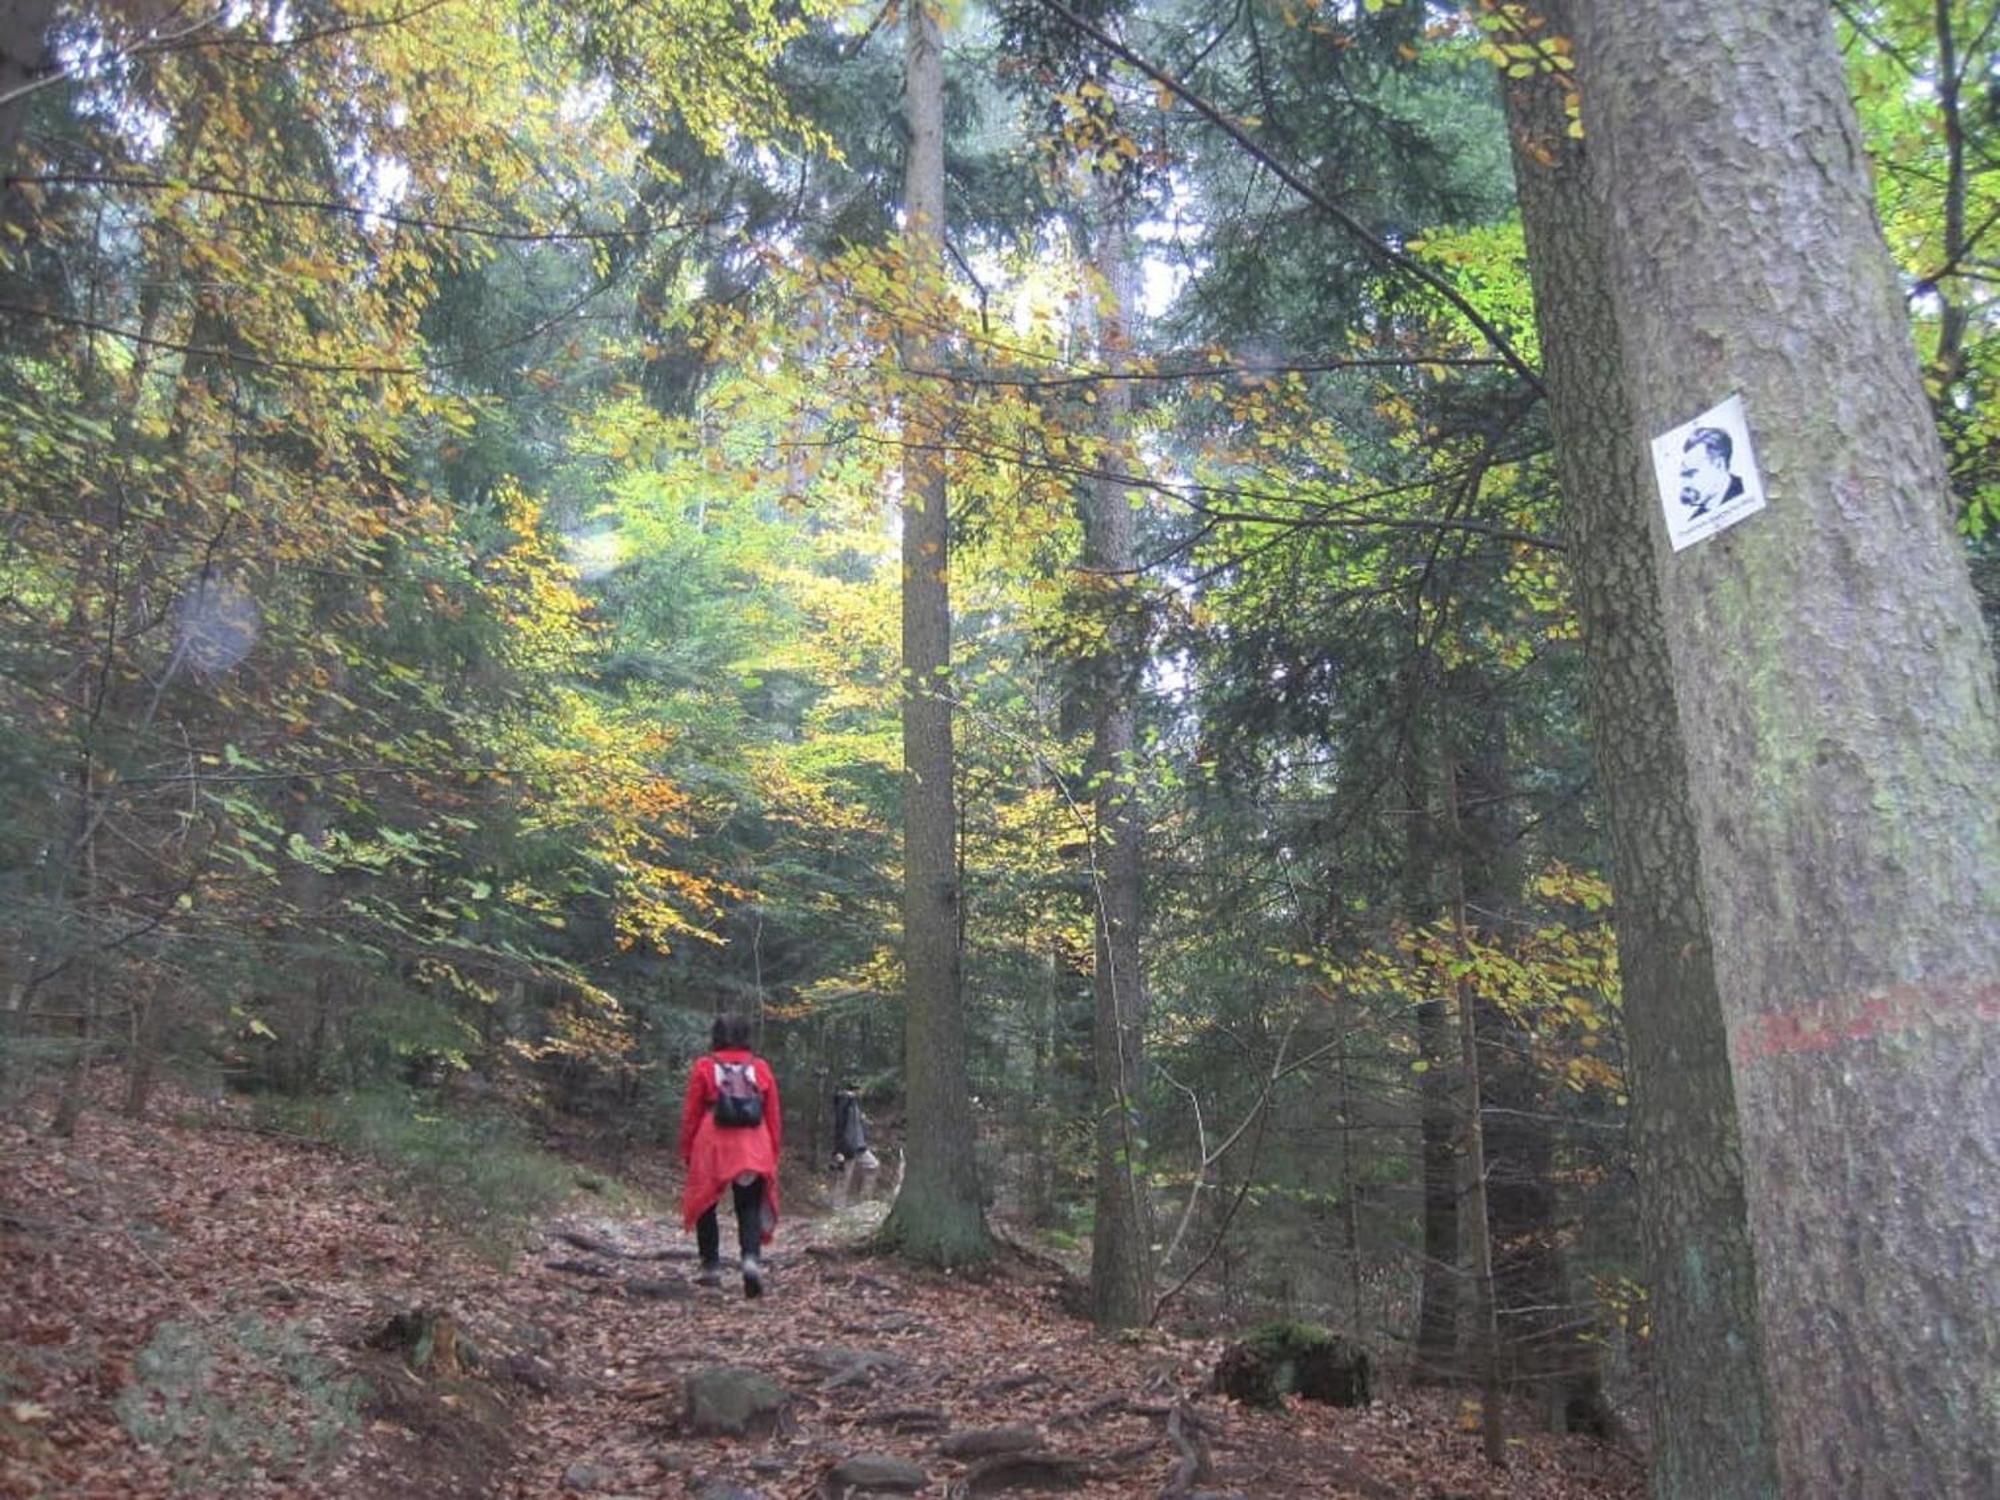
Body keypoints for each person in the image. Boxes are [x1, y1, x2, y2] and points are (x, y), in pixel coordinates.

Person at [678, 1012, 782, 1298]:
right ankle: (750, 1261)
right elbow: (772, 1113)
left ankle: (711, 1267)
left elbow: (691, 1113)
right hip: (753, 1142)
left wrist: (687, 1148)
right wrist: (773, 1149)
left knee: (705, 1204)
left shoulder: (704, 1066)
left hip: (713, 1140)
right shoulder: (760, 1067)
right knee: (748, 1205)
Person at [1677, 426, 1746, 518]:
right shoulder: (1695, 520)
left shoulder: (1746, 491)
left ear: (1719, 464)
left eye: (1691, 473)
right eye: (1683, 476)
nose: (1684, 485)